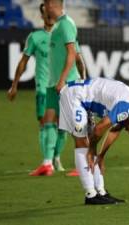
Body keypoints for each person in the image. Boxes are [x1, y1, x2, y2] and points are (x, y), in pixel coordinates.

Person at [59, 77, 129, 204]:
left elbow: (115, 130)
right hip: (74, 96)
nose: (127, 131)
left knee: (91, 143)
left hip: (84, 100)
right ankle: (90, 194)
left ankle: (100, 192)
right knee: (82, 141)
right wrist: (92, 150)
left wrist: (101, 155)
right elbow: (99, 128)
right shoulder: (127, 107)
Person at [6, 3, 71, 176]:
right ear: (42, 15)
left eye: (51, 12)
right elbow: (23, 61)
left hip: (62, 86)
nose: (49, 15)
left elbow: (74, 56)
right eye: (46, 13)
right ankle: (47, 161)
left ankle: (55, 158)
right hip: (44, 87)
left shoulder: (63, 33)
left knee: (63, 126)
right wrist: (14, 85)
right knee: (45, 123)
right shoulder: (35, 37)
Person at [31, 0, 86, 176]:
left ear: (52, 5)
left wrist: (65, 80)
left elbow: (72, 53)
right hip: (53, 84)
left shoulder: (66, 24)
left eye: (46, 5)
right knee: (48, 121)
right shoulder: (58, 26)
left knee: (75, 125)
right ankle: (47, 164)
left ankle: (84, 164)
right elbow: (77, 55)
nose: (45, 9)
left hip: (66, 84)